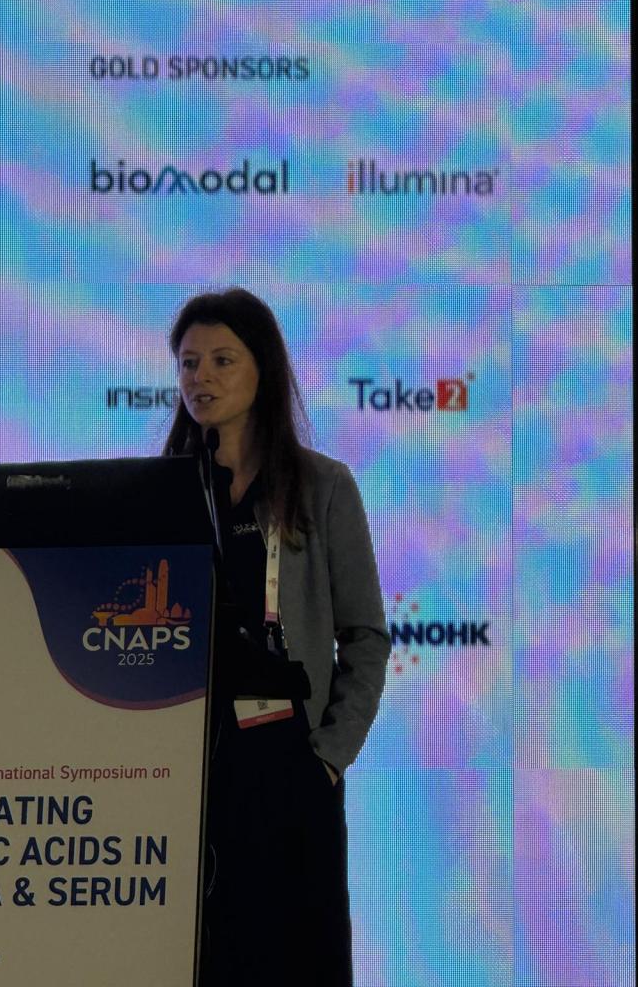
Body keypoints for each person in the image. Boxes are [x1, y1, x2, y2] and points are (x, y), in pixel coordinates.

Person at [163, 287, 390, 987]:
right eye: (188, 363)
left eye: (221, 360)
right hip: (188, 768)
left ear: (263, 370)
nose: (200, 377)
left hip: (290, 761)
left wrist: (328, 759)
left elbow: (365, 636)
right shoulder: (162, 489)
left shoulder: (322, 486)